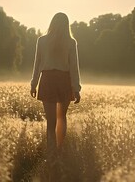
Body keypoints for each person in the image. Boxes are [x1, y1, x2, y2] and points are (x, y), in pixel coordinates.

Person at [30, 12, 81, 174]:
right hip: (64, 80)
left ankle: (50, 155)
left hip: (48, 80)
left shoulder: (42, 40)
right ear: (67, 24)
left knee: (50, 122)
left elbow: (37, 63)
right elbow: (74, 66)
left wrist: (33, 83)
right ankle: (59, 151)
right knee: (62, 118)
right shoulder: (71, 42)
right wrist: (76, 88)